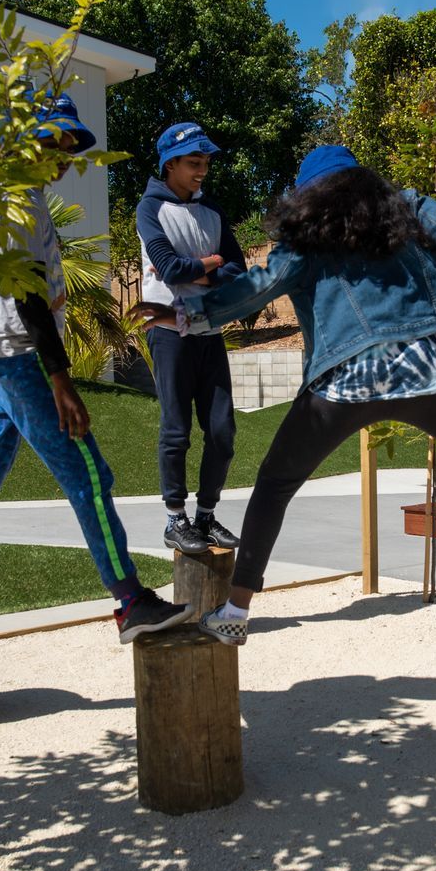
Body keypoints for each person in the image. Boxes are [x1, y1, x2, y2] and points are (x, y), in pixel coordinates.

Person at [135, 145, 436, 647]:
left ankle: (236, 610)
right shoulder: (403, 211)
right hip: (422, 372)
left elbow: (254, 289)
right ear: (364, 181)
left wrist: (182, 316)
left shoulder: (301, 240)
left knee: (274, 485)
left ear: (306, 197)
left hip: (342, 382)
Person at [0, 94, 191, 645]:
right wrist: (60, 382)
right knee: (89, 478)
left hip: (3, 351)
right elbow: (29, 296)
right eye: (54, 141)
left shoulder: (4, 197)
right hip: (23, 356)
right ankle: (130, 602)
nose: (63, 155)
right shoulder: (18, 203)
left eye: (70, 145)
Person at [136, 121, 243, 555]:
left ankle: (206, 516)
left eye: (206, 162)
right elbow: (167, 265)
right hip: (168, 334)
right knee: (176, 430)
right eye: (194, 162)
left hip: (209, 331)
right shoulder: (149, 208)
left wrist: (202, 265)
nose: (203, 170)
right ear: (170, 164)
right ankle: (175, 520)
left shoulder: (213, 211)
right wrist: (213, 266)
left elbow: (239, 272)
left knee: (222, 432)